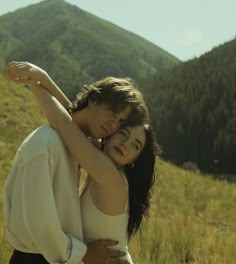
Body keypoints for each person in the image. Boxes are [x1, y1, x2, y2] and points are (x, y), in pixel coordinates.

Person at [6, 62, 158, 264]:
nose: (124, 143)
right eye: (123, 131)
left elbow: (65, 121)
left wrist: (36, 81)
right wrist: (42, 78)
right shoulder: (82, 148)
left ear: (134, 160)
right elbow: (73, 116)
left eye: (136, 146)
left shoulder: (108, 173)